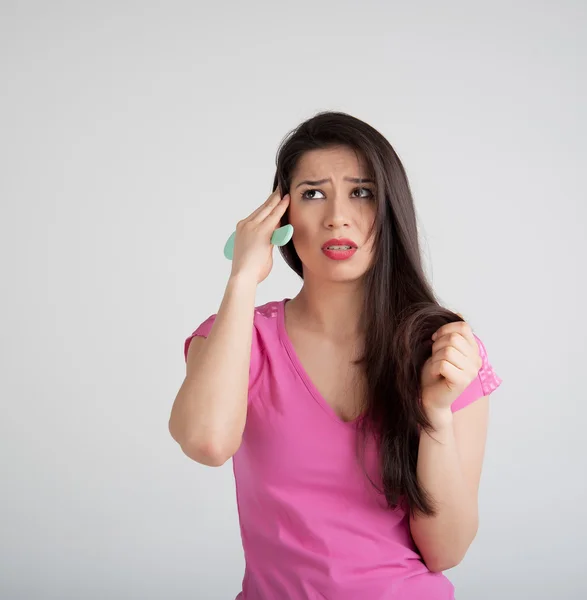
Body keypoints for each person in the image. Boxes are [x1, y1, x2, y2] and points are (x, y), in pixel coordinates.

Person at [169, 111, 503, 600]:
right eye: (312, 194)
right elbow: (206, 443)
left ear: (388, 209)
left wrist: (433, 412)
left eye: (362, 192)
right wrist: (242, 278)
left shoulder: (442, 349)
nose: (337, 216)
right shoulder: (240, 337)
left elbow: (445, 551)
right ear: (282, 217)